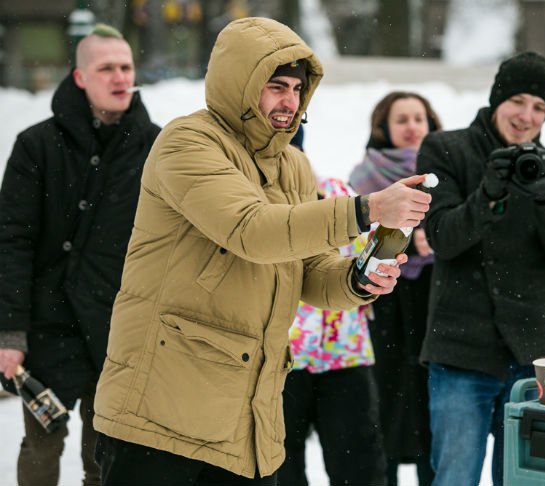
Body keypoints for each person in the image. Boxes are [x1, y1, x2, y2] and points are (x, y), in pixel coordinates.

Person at [91, 17, 431, 486]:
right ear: (240, 84)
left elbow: (305, 268)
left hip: (246, 422)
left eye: (296, 88)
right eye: (276, 86)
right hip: (160, 416)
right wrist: (367, 208)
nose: (290, 101)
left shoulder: (293, 165)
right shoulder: (186, 142)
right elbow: (251, 230)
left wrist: (356, 278)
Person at [0, 24, 160, 486]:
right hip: (49, 325)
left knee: (105, 458)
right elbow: (12, 240)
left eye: (126, 67)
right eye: (106, 67)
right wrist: (10, 332)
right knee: (41, 444)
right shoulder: (37, 145)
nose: (119, 77)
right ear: (80, 77)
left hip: (120, 328)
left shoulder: (157, 146)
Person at [416, 52, 545, 486]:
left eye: (540, 107)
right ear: (496, 99)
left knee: (527, 479)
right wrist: (487, 194)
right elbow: (442, 237)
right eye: (519, 101)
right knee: (455, 477)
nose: (527, 116)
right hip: (460, 349)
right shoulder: (444, 150)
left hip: (537, 354)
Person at [348, 91, 443, 486]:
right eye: (401, 119)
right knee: (382, 400)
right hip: (381, 297)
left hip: (434, 298)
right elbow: (351, 234)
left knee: (429, 405)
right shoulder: (364, 176)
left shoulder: (447, 172)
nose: (411, 127)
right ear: (383, 127)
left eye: (418, 118)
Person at [280, 174, 387, 486]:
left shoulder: (336, 192)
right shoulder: (258, 198)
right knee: (280, 466)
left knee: (358, 465)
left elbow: (367, 254)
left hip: (345, 355)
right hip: (284, 356)